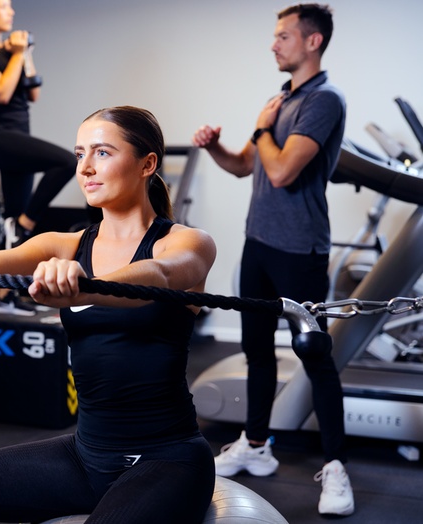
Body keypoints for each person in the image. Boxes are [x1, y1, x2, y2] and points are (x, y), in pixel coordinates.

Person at [0, 106, 218, 523]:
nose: (85, 167)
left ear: (147, 164)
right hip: (86, 457)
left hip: (168, 459)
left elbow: (158, 276)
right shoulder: (63, 245)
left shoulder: (187, 243)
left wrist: (87, 286)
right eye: (80, 153)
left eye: (102, 153)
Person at [191, 3, 353, 517]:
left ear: (312, 42)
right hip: (259, 243)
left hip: (300, 250)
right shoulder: (279, 100)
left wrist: (262, 130)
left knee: (313, 355)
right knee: (255, 349)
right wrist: (217, 148)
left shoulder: (324, 101)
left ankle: (337, 467)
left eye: (283, 35)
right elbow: (247, 166)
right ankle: (256, 446)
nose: (273, 43)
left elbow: (281, 171)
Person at [0, 0, 78, 315]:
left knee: (13, 218)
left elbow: (34, 92)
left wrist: (25, 52)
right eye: (4, 6)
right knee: (67, 162)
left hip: (17, 138)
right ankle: (26, 224)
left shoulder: (12, 50)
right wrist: (14, 54)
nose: (11, 12)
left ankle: (10, 297)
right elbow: (0, 92)